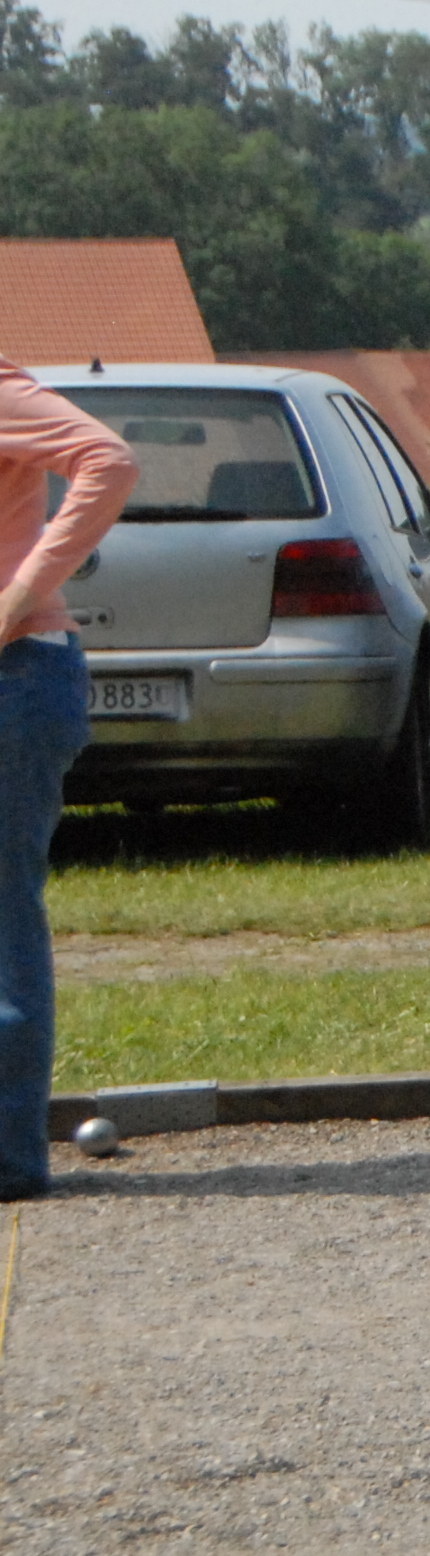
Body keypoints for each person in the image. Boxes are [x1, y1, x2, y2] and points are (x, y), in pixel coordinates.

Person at [1, 355, 138, 1202]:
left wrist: (17, 596)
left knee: (2, 913)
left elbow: (108, 461)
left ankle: (8, 1157)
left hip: (14, 675)